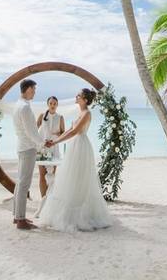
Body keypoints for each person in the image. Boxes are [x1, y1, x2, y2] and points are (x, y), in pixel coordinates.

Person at [38, 88, 114, 233]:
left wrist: (55, 142)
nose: (76, 96)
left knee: (79, 177)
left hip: (81, 146)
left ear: (85, 100)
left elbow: (74, 132)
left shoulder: (87, 113)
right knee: (70, 177)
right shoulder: (80, 113)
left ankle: (82, 213)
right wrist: (55, 142)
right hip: (74, 146)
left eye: (79, 95)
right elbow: (68, 131)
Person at [12, 78, 45, 230]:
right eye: (34, 89)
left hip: (22, 146)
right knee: (24, 184)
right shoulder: (24, 107)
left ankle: (17, 215)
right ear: (28, 89)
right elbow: (31, 132)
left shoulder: (18, 105)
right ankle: (20, 219)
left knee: (20, 182)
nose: (35, 92)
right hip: (27, 148)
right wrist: (43, 143)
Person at [36, 95, 65, 197]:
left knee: (53, 175)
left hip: (54, 148)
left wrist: (57, 136)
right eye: (51, 103)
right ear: (47, 104)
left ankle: (51, 199)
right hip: (42, 148)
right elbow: (35, 132)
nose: (52, 105)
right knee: (42, 175)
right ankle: (43, 199)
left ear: (57, 105)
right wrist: (42, 142)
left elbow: (63, 133)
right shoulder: (42, 116)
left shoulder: (60, 117)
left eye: (54, 103)